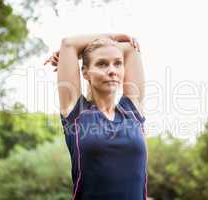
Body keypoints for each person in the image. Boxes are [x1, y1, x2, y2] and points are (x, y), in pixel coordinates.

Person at [44, 33, 148, 200]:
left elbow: (131, 49)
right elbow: (69, 43)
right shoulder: (77, 113)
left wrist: (76, 56)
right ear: (85, 72)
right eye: (101, 64)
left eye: (118, 64)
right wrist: (113, 37)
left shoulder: (132, 111)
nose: (112, 70)